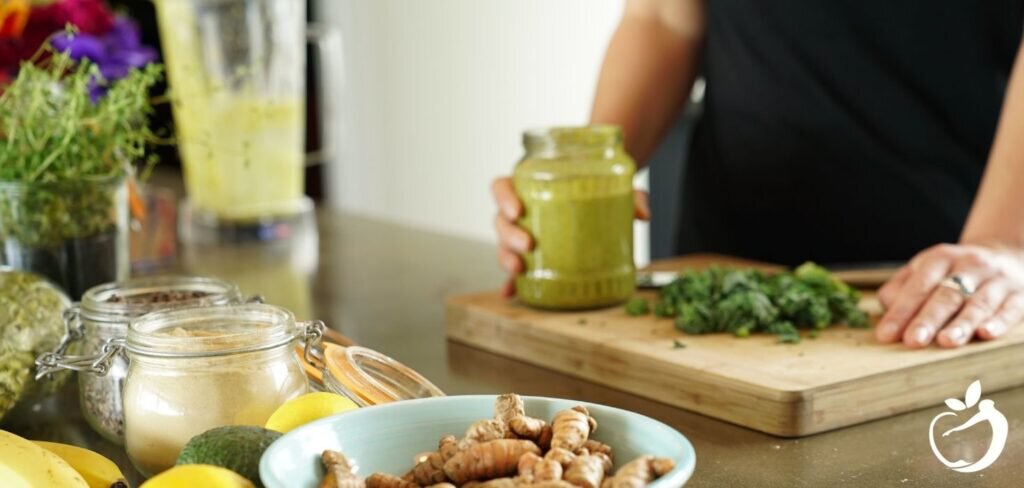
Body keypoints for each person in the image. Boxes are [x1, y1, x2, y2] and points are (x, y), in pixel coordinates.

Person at [491, 0, 1024, 349]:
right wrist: (584, 182)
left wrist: (1003, 241)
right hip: (724, 270)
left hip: (938, 282)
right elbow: (663, 17)